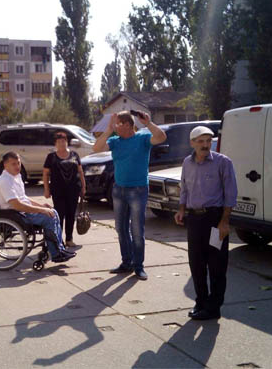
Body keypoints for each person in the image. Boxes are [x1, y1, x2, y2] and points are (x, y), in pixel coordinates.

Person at [92, 110, 167, 280]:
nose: (116, 127)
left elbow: (161, 137)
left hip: (138, 190)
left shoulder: (142, 138)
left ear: (127, 125)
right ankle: (126, 263)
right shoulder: (115, 141)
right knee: (121, 229)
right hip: (119, 190)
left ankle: (138, 266)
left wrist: (148, 123)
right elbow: (96, 148)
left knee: (137, 230)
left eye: (118, 124)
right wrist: (109, 129)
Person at [174, 126, 238, 320]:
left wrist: (224, 222)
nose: (205, 145)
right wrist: (181, 209)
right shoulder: (187, 162)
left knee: (216, 265)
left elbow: (230, 194)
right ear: (192, 143)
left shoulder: (223, 162)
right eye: (201, 141)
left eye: (208, 141)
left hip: (214, 220)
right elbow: (184, 188)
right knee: (196, 263)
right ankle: (201, 302)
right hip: (194, 220)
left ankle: (213, 308)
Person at [0, 152, 76, 263]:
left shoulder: (16, 176)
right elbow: (17, 205)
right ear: (5, 165)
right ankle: (56, 253)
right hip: (16, 214)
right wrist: (42, 210)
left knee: (53, 212)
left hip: (22, 211)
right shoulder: (5, 181)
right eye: (13, 164)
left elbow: (24, 198)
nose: (17, 166)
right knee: (49, 217)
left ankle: (59, 248)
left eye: (18, 163)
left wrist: (41, 206)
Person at [43, 130, 86, 248]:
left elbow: (80, 171)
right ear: (55, 144)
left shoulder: (74, 155)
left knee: (71, 214)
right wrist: (46, 189)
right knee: (59, 215)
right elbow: (45, 174)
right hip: (58, 191)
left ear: (67, 142)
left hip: (73, 190)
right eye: (59, 142)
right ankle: (59, 239)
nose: (62, 143)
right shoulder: (51, 157)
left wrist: (83, 186)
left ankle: (69, 239)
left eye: (63, 141)